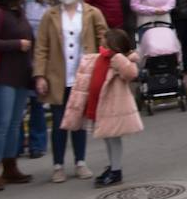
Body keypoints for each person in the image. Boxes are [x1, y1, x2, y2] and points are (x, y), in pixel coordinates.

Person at [33, 0, 108, 182]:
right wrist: (40, 75)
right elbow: (41, 47)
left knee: (79, 122)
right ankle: (58, 165)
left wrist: (103, 64)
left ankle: (80, 162)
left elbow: (104, 38)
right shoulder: (50, 15)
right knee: (59, 122)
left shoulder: (92, 13)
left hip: (83, 75)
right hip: (58, 77)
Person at [58, 26, 141, 187]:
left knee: (113, 138)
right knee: (107, 138)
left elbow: (131, 73)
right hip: (101, 106)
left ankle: (116, 171)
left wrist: (119, 57)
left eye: (104, 39)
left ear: (113, 43)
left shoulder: (118, 59)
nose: (101, 41)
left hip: (114, 108)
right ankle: (112, 166)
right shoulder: (101, 58)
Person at [0, 0, 36, 189]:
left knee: (14, 124)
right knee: (0, 125)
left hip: (21, 75)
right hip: (3, 76)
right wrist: (17, 45)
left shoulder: (20, 12)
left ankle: (10, 166)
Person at [18, 0, 52, 160]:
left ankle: (36, 145)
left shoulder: (44, 4)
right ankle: (17, 145)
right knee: (20, 106)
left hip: (37, 58)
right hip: (19, 59)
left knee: (37, 103)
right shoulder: (15, 4)